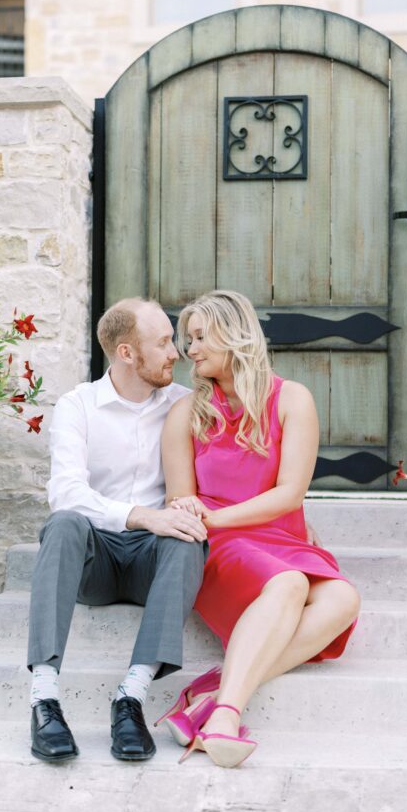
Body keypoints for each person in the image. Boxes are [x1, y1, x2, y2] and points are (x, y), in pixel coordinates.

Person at [159, 290, 361, 768]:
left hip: (277, 533)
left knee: (343, 599)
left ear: (235, 335)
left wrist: (215, 514)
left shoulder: (292, 399)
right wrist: (199, 516)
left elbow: (290, 493)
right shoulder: (186, 413)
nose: (191, 349)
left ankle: (209, 695)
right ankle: (227, 716)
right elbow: (179, 499)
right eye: (189, 339)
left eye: (201, 336)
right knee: (289, 584)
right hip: (218, 544)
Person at [27, 297, 208, 763]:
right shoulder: (78, 406)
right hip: (97, 560)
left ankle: (130, 698)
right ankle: (44, 699)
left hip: (155, 559)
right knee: (64, 523)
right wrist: (144, 515)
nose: (176, 353)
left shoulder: (183, 405)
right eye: (164, 342)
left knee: (187, 538)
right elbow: (66, 492)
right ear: (127, 353)